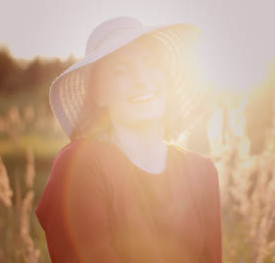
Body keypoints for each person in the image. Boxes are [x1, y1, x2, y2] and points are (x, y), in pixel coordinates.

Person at [35, 16, 222, 263]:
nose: (142, 79)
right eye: (121, 71)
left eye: (151, 64)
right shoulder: (79, 165)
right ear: (99, 93)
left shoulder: (202, 172)